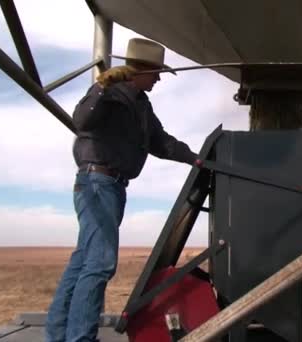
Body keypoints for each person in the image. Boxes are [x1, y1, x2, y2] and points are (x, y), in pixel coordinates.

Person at [45, 38, 197, 342]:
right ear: (141, 70)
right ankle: (80, 338)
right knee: (100, 262)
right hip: (97, 184)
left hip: (112, 187)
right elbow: (81, 120)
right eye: (156, 72)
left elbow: (160, 142)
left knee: (83, 261)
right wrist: (101, 88)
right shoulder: (110, 91)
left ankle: (59, 334)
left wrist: (196, 158)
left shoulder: (141, 103)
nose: (159, 78)